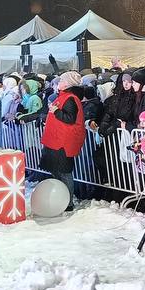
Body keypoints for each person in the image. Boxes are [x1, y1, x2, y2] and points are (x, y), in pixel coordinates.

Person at [41, 72, 86, 209]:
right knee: (57, 171)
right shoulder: (65, 97)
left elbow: (70, 118)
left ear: (67, 84)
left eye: (61, 80)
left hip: (63, 142)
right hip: (56, 141)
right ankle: (61, 199)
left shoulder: (70, 98)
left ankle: (68, 203)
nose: (59, 82)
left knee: (64, 173)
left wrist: (55, 112)